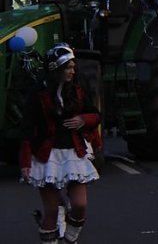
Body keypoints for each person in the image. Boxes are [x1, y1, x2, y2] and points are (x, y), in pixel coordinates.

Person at [20, 44, 100, 244]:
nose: (73, 71)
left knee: (80, 205)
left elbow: (95, 114)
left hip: (74, 152)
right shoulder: (39, 93)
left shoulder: (78, 89)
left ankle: (72, 225)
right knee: (51, 211)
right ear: (57, 69)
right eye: (68, 67)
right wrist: (25, 162)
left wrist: (83, 119)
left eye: (73, 67)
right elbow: (27, 129)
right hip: (47, 154)